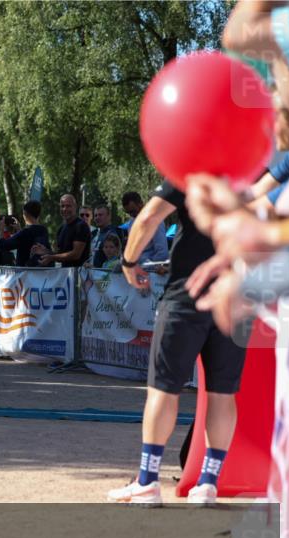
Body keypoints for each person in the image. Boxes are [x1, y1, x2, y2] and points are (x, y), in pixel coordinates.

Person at [106, 179, 250, 506]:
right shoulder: (256, 174)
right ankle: (209, 484)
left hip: (188, 294)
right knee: (222, 393)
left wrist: (128, 261)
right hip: (237, 297)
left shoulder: (191, 172)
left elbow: (148, 217)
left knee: (163, 389)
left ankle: (147, 481)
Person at [36, 194, 90, 267]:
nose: (65, 209)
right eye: (62, 206)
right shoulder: (61, 228)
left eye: (68, 206)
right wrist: (46, 251)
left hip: (79, 272)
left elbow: (76, 255)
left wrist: (52, 257)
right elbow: (60, 254)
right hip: (65, 272)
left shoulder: (81, 226)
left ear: (75, 207)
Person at [0, 200, 49, 267]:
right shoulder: (44, 230)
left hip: (25, 271)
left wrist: (1, 230)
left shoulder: (25, 232)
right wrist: (19, 230)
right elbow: (27, 242)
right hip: (40, 270)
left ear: (25, 214)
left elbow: (4, 246)